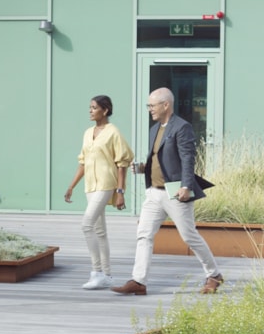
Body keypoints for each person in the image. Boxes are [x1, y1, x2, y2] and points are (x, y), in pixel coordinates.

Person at [112, 88, 223, 296]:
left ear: (166, 105)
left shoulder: (182, 127)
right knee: (144, 235)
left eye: (152, 105)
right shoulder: (155, 129)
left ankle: (214, 274)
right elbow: (161, 157)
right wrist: (145, 167)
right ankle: (139, 281)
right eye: (148, 106)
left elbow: (188, 158)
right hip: (153, 193)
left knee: (189, 236)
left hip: (175, 192)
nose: (149, 109)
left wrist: (186, 186)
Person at [63, 95, 133, 290]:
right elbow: (83, 162)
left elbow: (122, 164)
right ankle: (107, 275)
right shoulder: (87, 133)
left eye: (94, 108)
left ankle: (96, 272)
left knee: (87, 224)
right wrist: (71, 186)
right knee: (100, 231)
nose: (90, 111)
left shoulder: (113, 133)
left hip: (106, 184)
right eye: (90, 107)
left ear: (106, 110)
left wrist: (120, 191)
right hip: (90, 186)